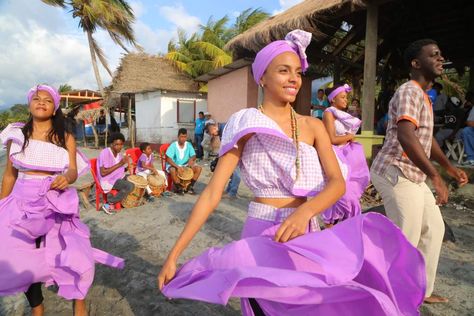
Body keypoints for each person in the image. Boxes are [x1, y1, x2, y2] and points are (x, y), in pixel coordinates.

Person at [158, 30, 426, 315]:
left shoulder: (312, 125)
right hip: (262, 234)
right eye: (283, 70)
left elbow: (336, 184)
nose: (294, 79)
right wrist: (174, 255)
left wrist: (305, 212)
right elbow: (212, 193)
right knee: (266, 306)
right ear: (262, 77)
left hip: (305, 234)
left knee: (321, 303)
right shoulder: (246, 123)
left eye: (297, 72)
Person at [0, 85, 124, 316]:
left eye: (48, 100)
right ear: (29, 104)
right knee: (20, 256)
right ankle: (37, 307)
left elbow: (74, 171)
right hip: (21, 203)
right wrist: (2, 206)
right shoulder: (16, 135)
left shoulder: (65, 136)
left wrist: (65, 178)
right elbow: (9, 175)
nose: (41, 102)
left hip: (55, 202)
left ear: (55, 107)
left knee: (73, 251)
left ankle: (78, 299)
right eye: (36, 98)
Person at [370, 39, 468, 304]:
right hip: (395, 170)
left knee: (434, 229)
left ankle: (419, 291)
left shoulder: (423, 96)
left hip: (412, 173)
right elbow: (405, 135)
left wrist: (447, 167)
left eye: (440, 54)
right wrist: (435, 176)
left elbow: (426, 138)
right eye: (433, 55)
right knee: (406, 236)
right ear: (416, 63)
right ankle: (388, 295)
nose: (440, 58)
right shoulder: (409, 92)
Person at [321, 84, 370, 227]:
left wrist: (349, 138)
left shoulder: (341, 114)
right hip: (337, 157)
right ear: (332, 100)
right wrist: (349, 137)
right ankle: (331, 228)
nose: (346, 100)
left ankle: (347, 228)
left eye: (346, 97)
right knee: (341, 194)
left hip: (348, 156)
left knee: (350, 195)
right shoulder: (328, 113)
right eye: (342, 97)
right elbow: (332, 139)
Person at [97, 132, 134, 214]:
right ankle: (108, 203)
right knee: (129, 186)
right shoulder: (105, 153)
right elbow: (103, 173)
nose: (119, 147)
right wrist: (120, 163)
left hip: (116, 177)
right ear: (111, 144)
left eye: (121, 144)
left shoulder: (118, 154)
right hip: (107, 180)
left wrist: (126, 168)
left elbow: (117, 169)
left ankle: (125, 201)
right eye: (116, 144)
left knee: (133, 179)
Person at [165, 128, 202, 194]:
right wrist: (177, 167)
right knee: (172, 170)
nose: (183, 139)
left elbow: (194, 155)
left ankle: (190, 186)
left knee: (198, 168)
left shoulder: (188, 145)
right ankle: (178, 187)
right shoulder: (173, 145)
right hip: (174, 165)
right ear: (178, 136)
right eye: (181, 137)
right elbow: (168, 159)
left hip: (185, 165)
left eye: (185, 137)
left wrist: (191, 159)